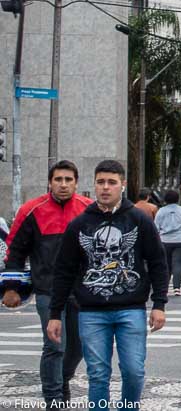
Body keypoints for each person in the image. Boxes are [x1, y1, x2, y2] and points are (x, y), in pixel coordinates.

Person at [48, 159, 167, 409]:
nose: (105, 188)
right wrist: (55, 313)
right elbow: (64, 271)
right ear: (94, 185)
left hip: (131, 309)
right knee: (98, 375)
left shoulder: (139, 220)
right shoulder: (80, 225)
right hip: (91, 312)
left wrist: (159, 304)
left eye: (111, 182)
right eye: (100, 182)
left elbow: (157, 262)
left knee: (134, 371)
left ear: (122, 185)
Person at [6, 159, 90, 408]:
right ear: (50, 182)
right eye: (58, 179)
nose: (63, 184)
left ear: (76, 183)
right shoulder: (31, 210)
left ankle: (62, 380)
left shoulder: (89, 209)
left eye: (68, 180)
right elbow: (15, 251)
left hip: (82, 291)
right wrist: (11, 288)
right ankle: (53, 398)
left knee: (78, 348)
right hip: (47, 290)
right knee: (55, 345)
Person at [154, 190, 181, 297]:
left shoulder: (161, 211)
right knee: (179, 264)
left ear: (165, 200)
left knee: (166, 265)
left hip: (165, 240)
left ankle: (164, 288)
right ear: (178, 199)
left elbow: (156, 227)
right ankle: (177, 288)